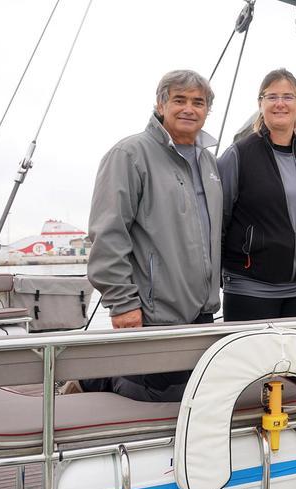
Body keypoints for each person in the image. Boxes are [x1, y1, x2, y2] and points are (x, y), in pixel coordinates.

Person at [82, 69, 222, 401]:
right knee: (146, 400)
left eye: (198, 102)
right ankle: (91, 384)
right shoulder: (130, 155)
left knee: (189, 402)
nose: (189, 109)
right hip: (151, 313)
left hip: (201, 313)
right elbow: (108, 233)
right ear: (161, 105)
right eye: (179, 100)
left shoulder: (209, 163)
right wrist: (122, 302)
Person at [218, 69, 296, 321]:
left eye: (288, 97)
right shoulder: (238, 155)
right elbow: (218, 222)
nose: (280, 104)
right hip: (250, 284)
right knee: (250, 361)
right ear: (260, 104)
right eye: (272, 96)